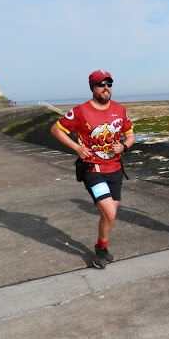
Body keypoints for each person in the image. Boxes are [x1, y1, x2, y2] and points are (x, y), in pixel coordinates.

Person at [50, 70, 135, 269]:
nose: (106, 88)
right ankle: (100, 249)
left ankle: (101, 247)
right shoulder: (81, 111)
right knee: (110, 213)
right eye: (101, 84)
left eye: (109, 84)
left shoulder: (120, 110)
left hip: (115, 169)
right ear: (92, 87)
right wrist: (77, 148)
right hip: (93, 170)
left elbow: (130, 135)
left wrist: (124, 146)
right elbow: (56, 129)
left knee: (110, 214)